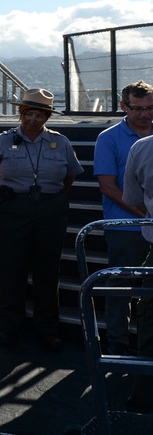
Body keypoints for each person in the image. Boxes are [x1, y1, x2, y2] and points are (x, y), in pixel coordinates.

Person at [0, 88, 83, 351]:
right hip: (13, 209)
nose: (33, 120)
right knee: (10, 269)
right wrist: (11, 194)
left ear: (47, 116)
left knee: (48, 271)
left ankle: (47, 328)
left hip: (50, 210)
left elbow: (70, 177)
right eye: (29, 114)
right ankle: (7, 325)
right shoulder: (3, 141)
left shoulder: (61, 143)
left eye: (40, 115)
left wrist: (52, 198)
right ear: (21, 113)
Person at [93, 81, 153, 354]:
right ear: (123, 106)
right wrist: (146, 215)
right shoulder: (109, 138)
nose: (144, 114)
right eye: (137, 108)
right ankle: (117, 343)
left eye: (150, 108)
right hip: (126, 227)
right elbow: (108, 187)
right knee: (120, 287)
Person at [121, 134, 153, 412]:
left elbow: (135, 199)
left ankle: (142, 404)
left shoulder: (142, 148)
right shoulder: (142, 148)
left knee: (150, 333)